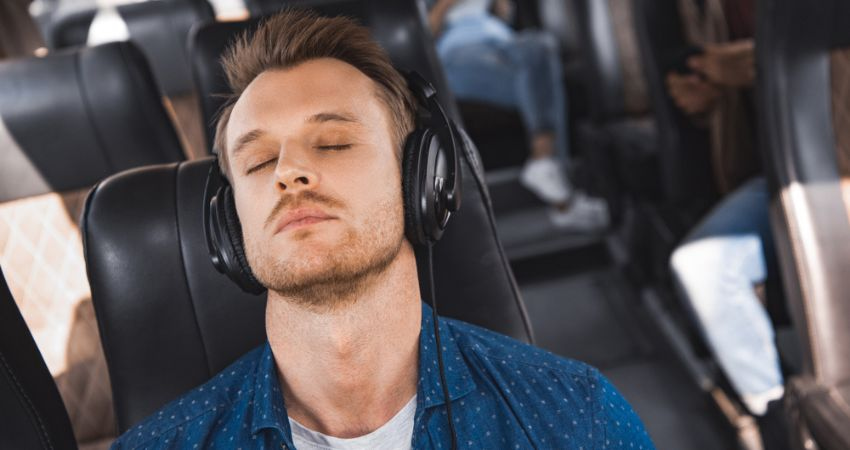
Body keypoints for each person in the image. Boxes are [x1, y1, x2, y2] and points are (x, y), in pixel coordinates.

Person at [110, 10, 653, 449]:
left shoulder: (576, 420)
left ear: (422, 182)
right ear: (228, 226)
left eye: (333, 143)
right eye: (257, 162)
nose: (287, 173)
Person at [665, 1, 787, 444]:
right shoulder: (705, 10)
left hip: (837, 168)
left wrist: (762, 58)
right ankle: (774, 413)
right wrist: (705, 87)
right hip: (776, 179)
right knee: (704, 265)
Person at [428, 0, 609, 230]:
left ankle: (546, 164)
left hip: (502, 42)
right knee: (541, 83)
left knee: (540, 45)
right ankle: (561, 199)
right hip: (456, 54)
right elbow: (419, 35)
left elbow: (503, 18)